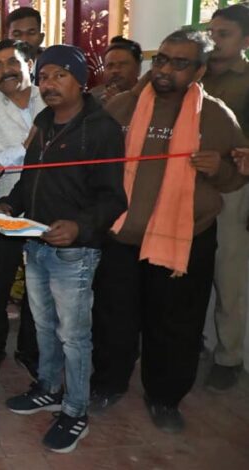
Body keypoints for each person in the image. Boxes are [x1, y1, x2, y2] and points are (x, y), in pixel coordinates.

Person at [92, 29, 246, 433]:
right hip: (122, 236)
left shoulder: (216, 116)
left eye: (179, 63)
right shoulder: (122, 106)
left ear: (199, 71)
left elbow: (236, 177)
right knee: (114, 319)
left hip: (184, 241)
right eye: (161, 59)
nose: (164, 70)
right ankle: (108, 384)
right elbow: (93, 160)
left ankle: (164, 397)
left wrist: (220, 169)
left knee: (175, 326)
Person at [1, 45, 127, 453]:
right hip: (36, 242)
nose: (48, 84)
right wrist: (9, 206)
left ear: (80, 80)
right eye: (43, 77)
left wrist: (78, 227)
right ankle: (49, 388)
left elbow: (113, 198)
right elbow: (30, 180)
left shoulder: (101, 129)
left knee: (73, 336)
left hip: (75, 252)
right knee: (42, 326)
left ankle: (75, 411)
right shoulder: (43, 121)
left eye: (59, 75)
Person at [0, 39, 46, 381]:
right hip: (3, 209)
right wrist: (23, 147)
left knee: (38, 284)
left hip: (47, 205)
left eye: (12, 62)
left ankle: (29, 350)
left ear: (29, 63)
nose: (6, 71)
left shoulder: (50, 97)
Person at [202, 3, 249, 392]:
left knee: (228, 275)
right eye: (211, 33)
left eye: (224, 34)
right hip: (187, 185)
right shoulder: (193, 75)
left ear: (245, 40)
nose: (214, 41)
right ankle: (191, 341)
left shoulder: (246, 82)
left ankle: (228, 356)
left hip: (231, 189)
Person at [0, 6, 46, 102]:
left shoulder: (54, 74)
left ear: (41, 38)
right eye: (17, 34)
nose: (24, 39)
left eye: (31, 33)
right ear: (6, 38)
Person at [91, 36, 142, 104]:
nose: (115, 70)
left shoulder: (148, 96)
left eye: (122, 64)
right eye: (110, 65)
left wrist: (119, 103)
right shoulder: (92, 98)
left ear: (138, 68)